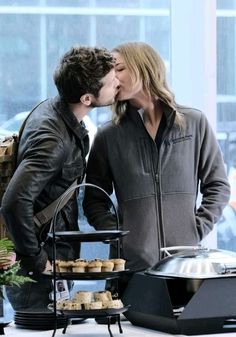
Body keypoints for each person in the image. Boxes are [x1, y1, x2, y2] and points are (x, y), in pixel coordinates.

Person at [83, 41, 231, 297]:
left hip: (185, 267)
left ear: (144, 68)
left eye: (118, 69)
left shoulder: (194, 124)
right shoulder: (109, 136)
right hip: (132, 271)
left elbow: (218, 186)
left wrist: (197, 227)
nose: (113, 78)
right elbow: (94, 199)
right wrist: (120, 236)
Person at [0, 45, 119, 310]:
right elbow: (14, 203)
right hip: (39, 272)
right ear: (87, 98)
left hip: (49, 259)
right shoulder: (53, 140)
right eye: (112, 82)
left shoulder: (55, 110)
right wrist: (37, 259)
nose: (118, 83)